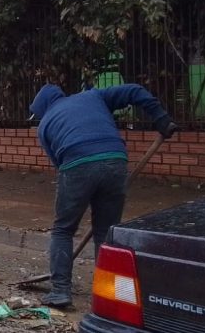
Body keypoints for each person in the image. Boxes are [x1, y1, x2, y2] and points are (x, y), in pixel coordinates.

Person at [29, 83, 178, 308]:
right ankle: (108, 292)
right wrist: (161, 118)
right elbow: (134, 91)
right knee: (105, 231)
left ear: (42, 109)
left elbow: (60, 166)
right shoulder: (93, 96)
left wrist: (82, 187)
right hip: (115, 159)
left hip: (76, 165)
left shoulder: (45, 125)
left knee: (63, 229)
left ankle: (60, 290)